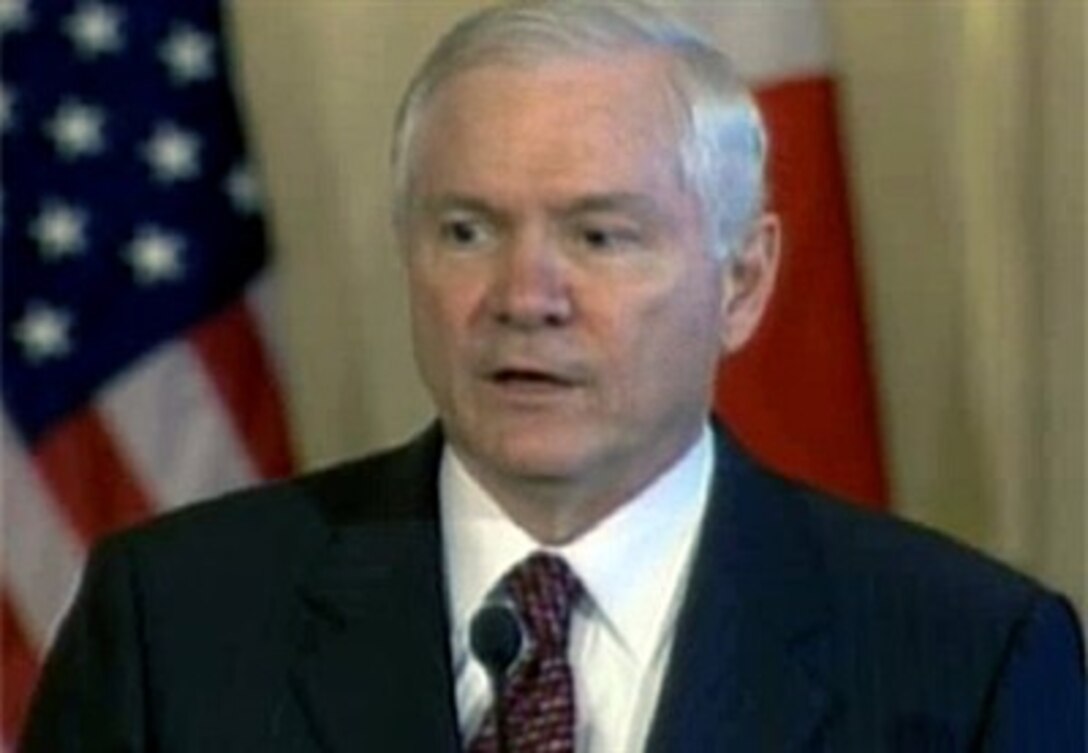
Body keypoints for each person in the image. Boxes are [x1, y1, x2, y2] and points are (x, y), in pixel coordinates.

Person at [21, 1, 1085, 751]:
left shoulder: (964, 658)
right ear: (409, 253)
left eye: (600, 236)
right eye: (467, 229)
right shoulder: (174, 621)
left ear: (743, 280)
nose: (524, 294)